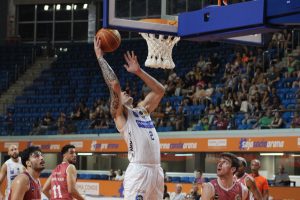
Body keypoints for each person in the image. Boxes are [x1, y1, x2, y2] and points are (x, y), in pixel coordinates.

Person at [94, 37, 165, 199]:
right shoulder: (120, 115)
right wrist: (100, 58)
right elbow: (115, 86)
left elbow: (160, 91)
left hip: (156, 170)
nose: (126, 92)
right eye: (123, 94)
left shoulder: (143, 110)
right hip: (139, 170)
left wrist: (139, 71)